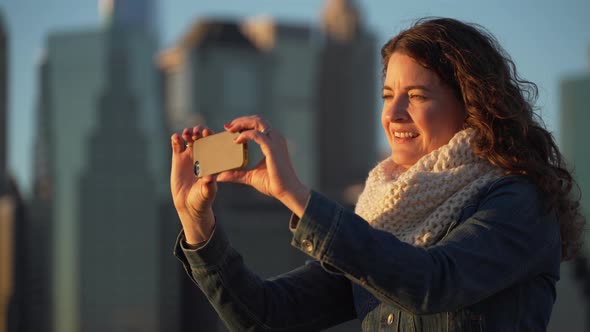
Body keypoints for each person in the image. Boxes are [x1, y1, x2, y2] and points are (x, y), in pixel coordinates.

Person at [169, 17, 585, 331]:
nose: (393, 113)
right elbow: (266, 315)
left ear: (472, 105)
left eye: (417, 96)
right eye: (388, 95)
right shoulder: (381, 216)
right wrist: (196, 220)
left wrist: (294, 193)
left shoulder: (518, 203)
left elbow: (431, 282)